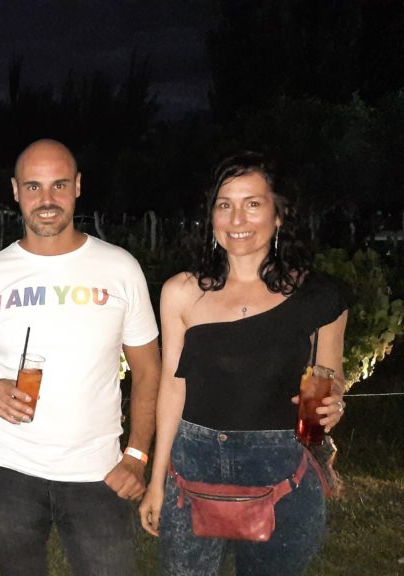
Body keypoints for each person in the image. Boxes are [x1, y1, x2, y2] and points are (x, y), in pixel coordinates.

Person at [0, 139, 161, 576]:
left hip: (99, 473)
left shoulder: (120, 268)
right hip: (8, 471)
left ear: (78, 186)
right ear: (15, 191)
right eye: (33, 187)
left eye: (58, 185)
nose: (46, 200)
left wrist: (137, 456)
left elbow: (148, 371)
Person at [138, 152, 348, 575]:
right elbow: (172, 389)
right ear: (211, 216)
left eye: (253, 203)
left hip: (282, 471)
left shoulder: (320, 296)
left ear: (279, 215)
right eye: (225, 204)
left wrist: (336, 404)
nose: (237, 218)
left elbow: (331, 379)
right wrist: (156, 482)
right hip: (192, 469)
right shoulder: (181, 292)